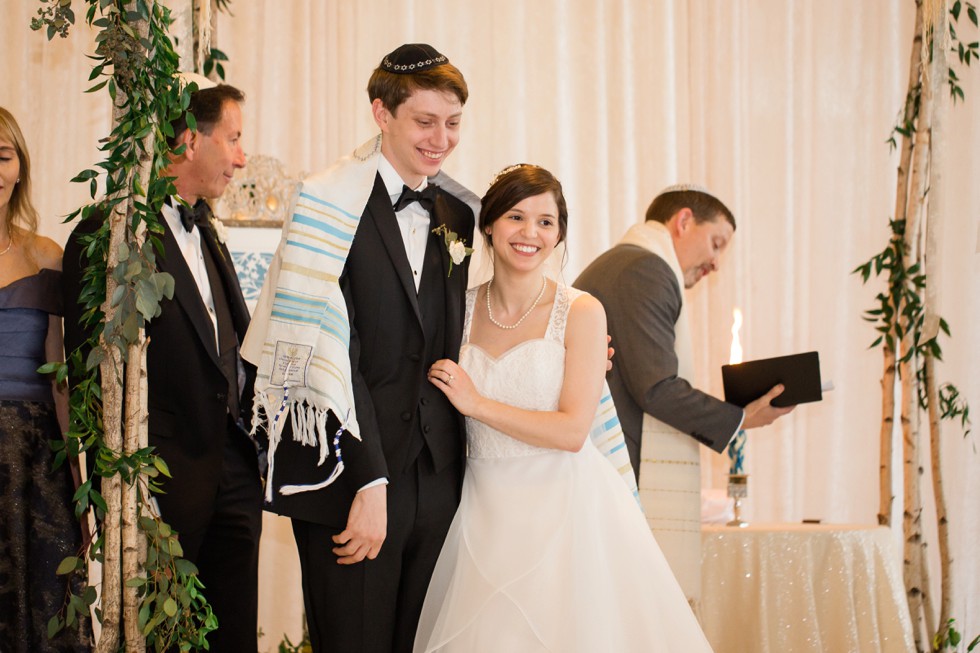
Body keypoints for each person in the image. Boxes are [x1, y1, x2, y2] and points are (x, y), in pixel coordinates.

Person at [413, 164, 712, 652]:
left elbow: (574, 430)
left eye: (546, 222)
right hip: (478, 509)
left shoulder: (582, 311)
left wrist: (478, 403)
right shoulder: (456, 309)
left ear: (559, 234)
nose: (530, 233)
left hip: (565, 509)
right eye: (516, 216)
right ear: (488, 224)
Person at [242, 44, 477, 652]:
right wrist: (368, 483)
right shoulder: (327, 204)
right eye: (425, 122)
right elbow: (326, 354)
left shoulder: (457, 212)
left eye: (452, 123)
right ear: (381, 113)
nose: (441, 139)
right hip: (352, 476)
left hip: (440, 477)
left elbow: (474, 323)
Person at [61, 78, 263, 652]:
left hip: (234, 476)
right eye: (234, 138)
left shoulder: (210, 233)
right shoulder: (110, 232)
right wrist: (127, 484)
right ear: (189, 141)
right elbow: (88, 375)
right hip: (160, 486)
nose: (243, 157)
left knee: (233, 637)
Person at [574, 184, 793, 607]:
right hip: (613, 464)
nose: (715, 262)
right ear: (684, 221)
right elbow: (656, 389)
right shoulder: (645, 269)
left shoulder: (625, 262)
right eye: (716, 243)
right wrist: (741, 417)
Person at [0, 107, 89, 651]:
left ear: (19, 167)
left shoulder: (47, 254)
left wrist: (79, 484)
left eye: (2, 156)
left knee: (48, 605)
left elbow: (62, 380)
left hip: (37, 462)